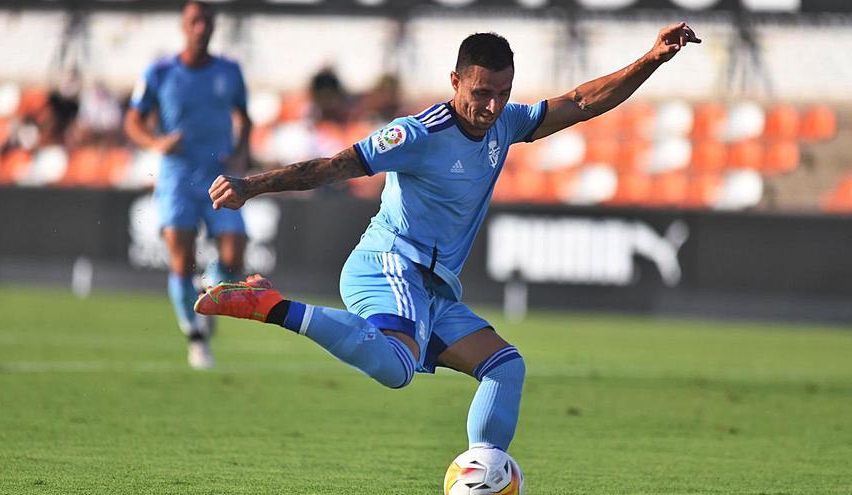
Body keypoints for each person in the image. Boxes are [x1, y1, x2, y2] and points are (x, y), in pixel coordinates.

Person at [196, 24, 700, 452]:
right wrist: (250, 186)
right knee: (397, 368)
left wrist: (651, 58)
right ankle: (271, 306)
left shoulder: (507, 122)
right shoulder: (418, 133)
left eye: (503, 92)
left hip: (433, 288)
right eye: (481, 93)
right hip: (389, 264)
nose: (492, 105)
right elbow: (335, 166)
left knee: (505, 367)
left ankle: (482, 473)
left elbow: (581, 102)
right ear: (455, 81)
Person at [124, 0, 252, 369]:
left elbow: (246, 118)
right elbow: (133, 121)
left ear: (213, 26)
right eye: (195, 21)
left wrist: (241, 154)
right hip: (177, 178)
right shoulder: (160, 71)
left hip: (219, 175)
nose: (201, 27)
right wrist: (155, 142)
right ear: (184, 25)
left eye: (207, 21)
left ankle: (207, 291)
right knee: (182, 257)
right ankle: (195, 337)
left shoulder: (229, 71)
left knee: (235, 252)